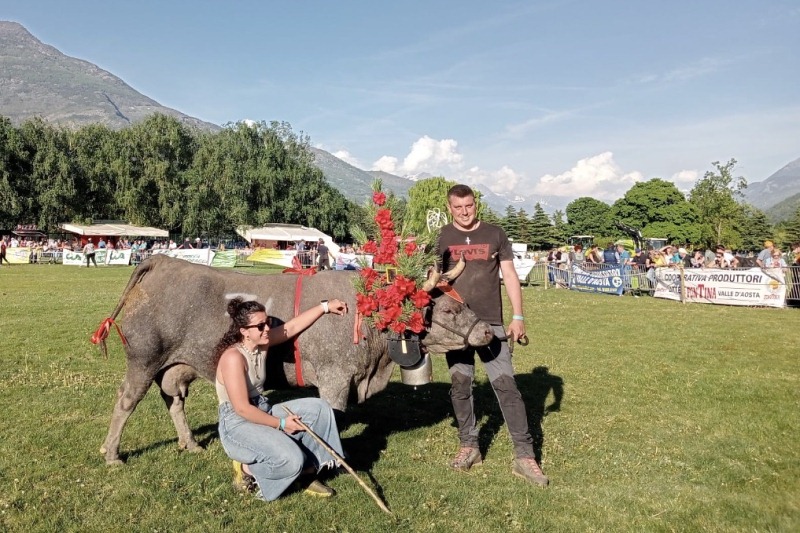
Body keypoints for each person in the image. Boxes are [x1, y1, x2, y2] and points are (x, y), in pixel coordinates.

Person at [436, 184, 549, 487]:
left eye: (469, 206)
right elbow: (433, 280)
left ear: (476, 204)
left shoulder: (495, 234)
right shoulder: (442, 237)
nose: (464, 212)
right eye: (458, 207)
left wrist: (518, 316)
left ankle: (525, 457)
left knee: (507, 386)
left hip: (491, 326)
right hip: (457, 327)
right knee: (460, 385)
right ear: (450, 208)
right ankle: (469, 446)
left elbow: (510, 275)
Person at [215, 296, 349, 501]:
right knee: (291, 459)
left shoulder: (261, 343)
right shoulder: (233, 358)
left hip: (261, 408)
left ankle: (308, 472)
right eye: (260, 326)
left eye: (267, 322)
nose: (267, 328)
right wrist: (281, 423)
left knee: (319, 408)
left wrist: (325, 307)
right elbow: (241, 408)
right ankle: (247, 468)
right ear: (244, 332)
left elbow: (292, 326)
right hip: (236, 421)